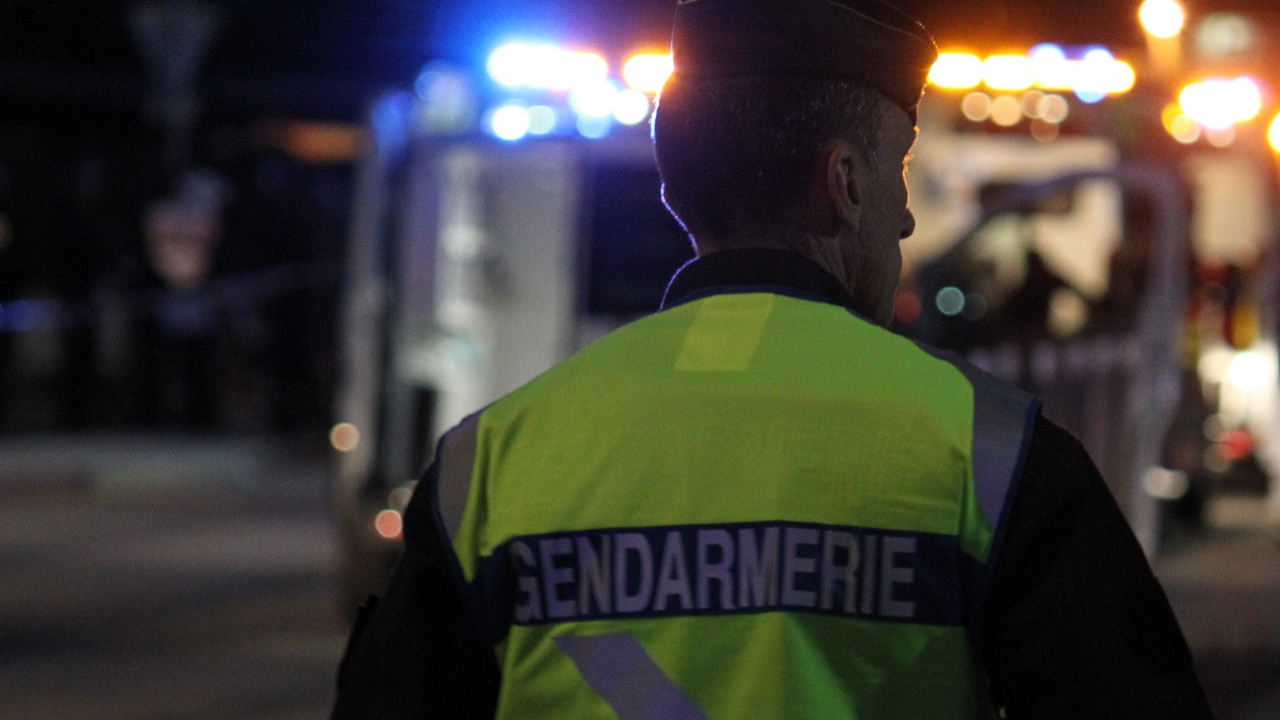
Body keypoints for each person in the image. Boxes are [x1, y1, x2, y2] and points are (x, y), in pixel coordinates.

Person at [330, 1, 1214, 717]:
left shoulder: (495, 458)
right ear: (845, 183)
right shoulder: (986, 453)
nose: (905, 221)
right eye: (899, 174)